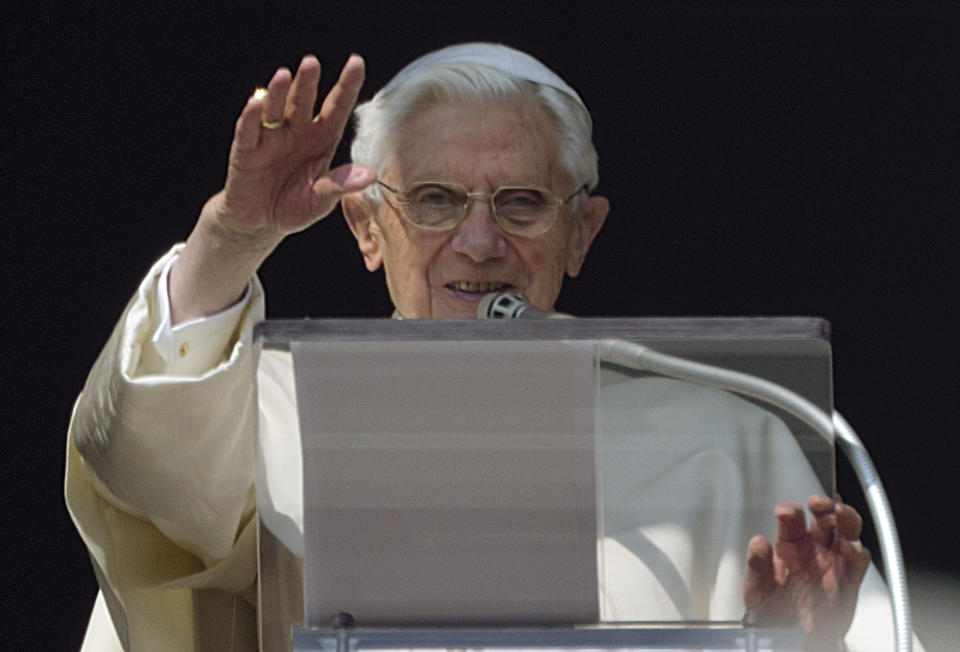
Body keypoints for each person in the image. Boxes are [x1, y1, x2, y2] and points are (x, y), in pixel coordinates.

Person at [66, 43, 897, 652]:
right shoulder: (257, 403)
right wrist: (232, 237)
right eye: (433, 199)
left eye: (522, 202)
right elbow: (143, 481)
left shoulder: (722, 440)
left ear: (582, 234)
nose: (478, 240)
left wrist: (797, 642)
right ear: (366, 227)